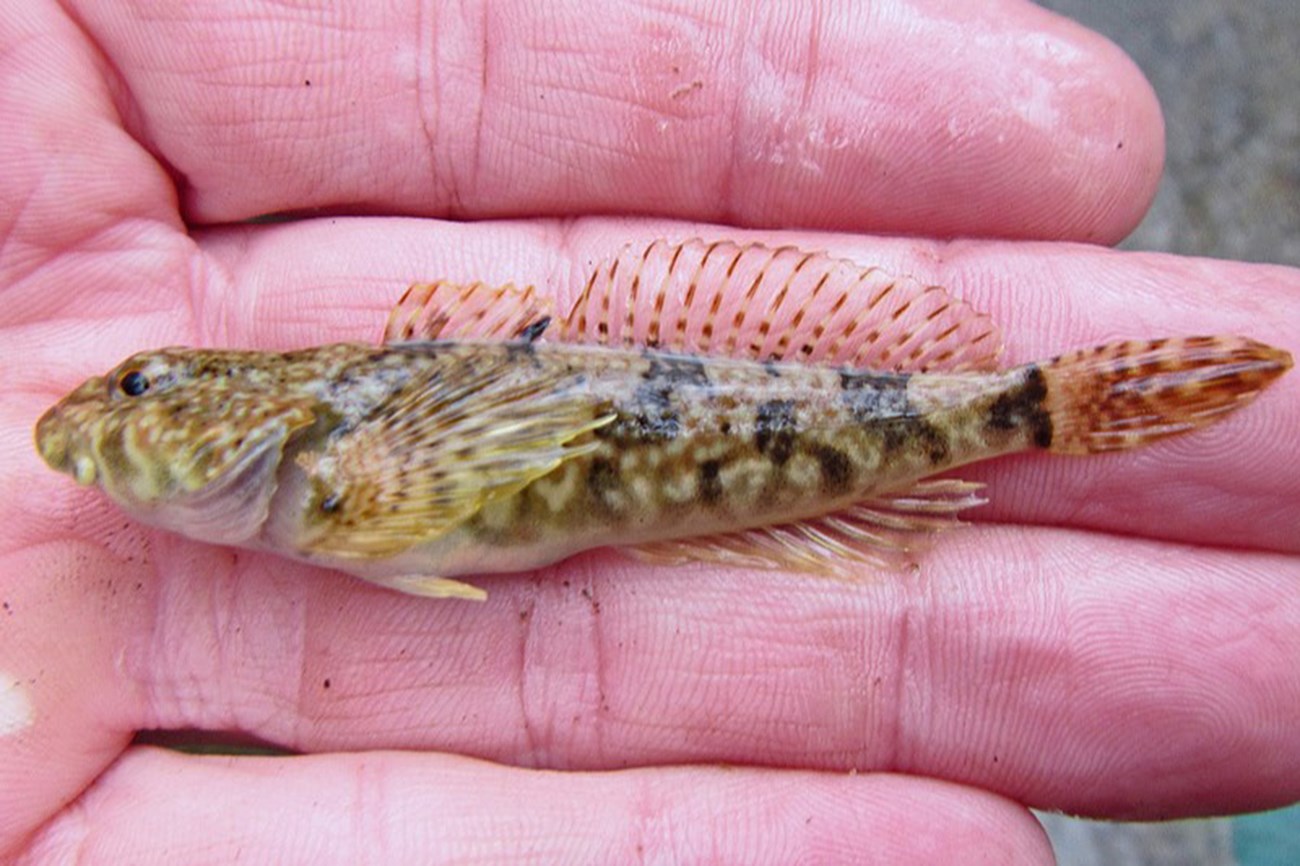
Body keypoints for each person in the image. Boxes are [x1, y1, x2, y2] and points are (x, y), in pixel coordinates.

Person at [2, 1, 1296, 862]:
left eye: (143, 385)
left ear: (235, 404)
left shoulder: (342, 466)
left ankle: (1038, 407)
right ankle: (1033, 409)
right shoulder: (328, 462)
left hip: (786, 416)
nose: (107, 416)